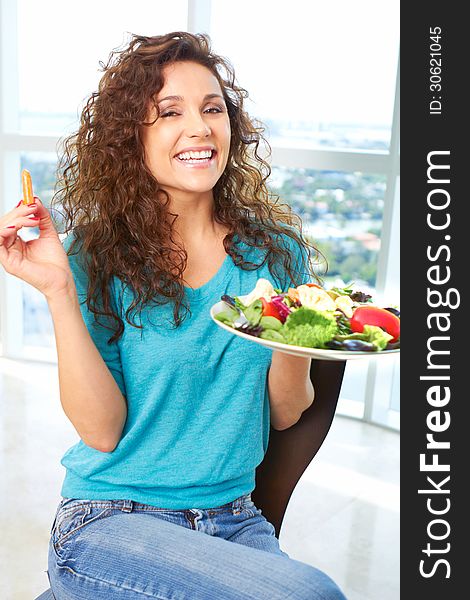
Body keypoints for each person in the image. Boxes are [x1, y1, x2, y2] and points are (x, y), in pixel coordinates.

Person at [0, 32, 346, 600]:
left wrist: (290, 325)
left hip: (232, 520)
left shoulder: (273, 251)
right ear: (129, 139)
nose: (200, 127)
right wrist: (60, 289)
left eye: (213, 109)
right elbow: (102, 432)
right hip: (111, 519)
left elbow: (288, 413)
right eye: (169, 112)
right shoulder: (91, 255)